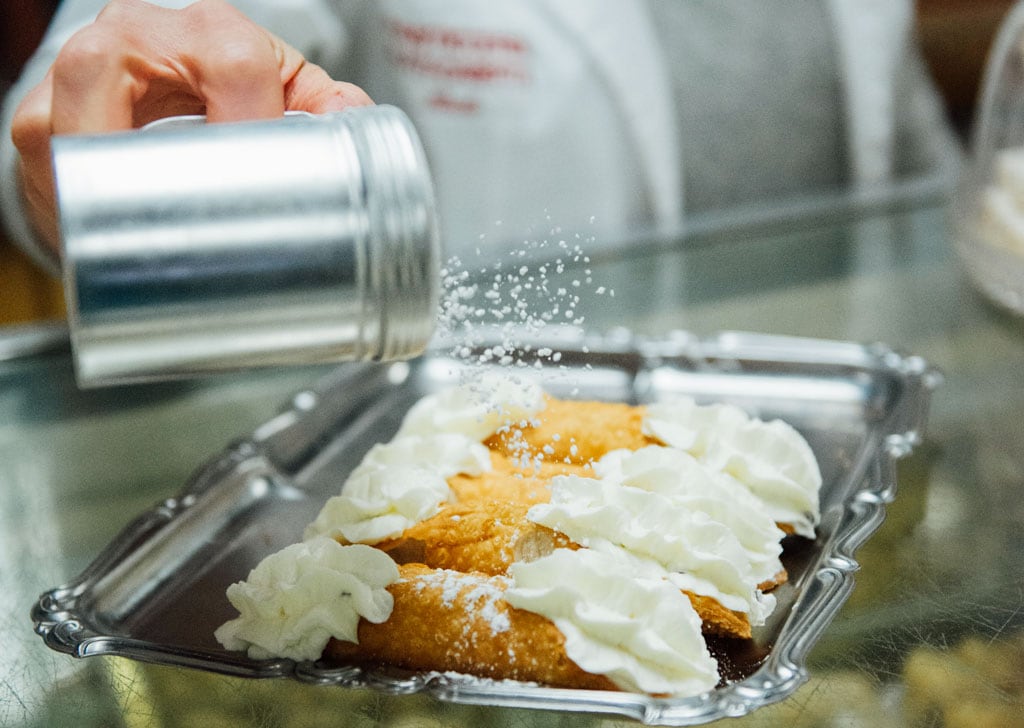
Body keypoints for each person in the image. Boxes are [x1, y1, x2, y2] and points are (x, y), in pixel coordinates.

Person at [1, 0, 958, 280]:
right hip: (476, 456)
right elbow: (109, 73)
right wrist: (86, 166)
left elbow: (913, 173)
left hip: (826, 466)